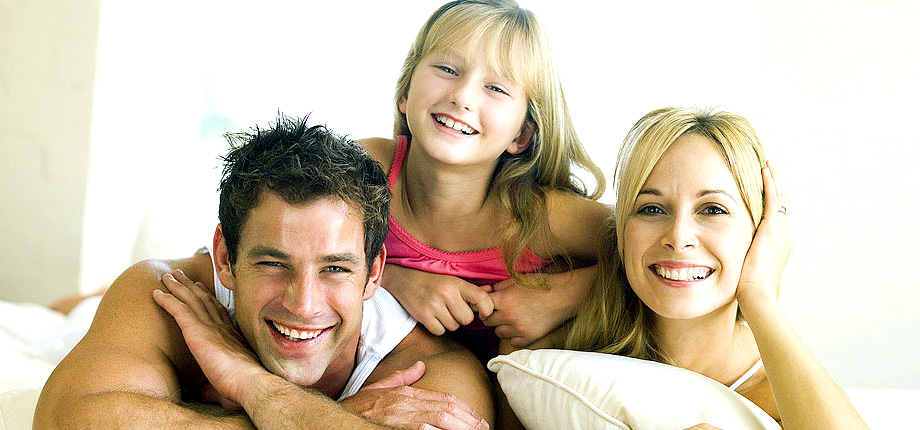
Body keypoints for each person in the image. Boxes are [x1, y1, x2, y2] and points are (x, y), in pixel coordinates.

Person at [34, 115, 493, 430]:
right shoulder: (171, 294)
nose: (304, 304)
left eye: (335, 268)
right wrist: (333, 418)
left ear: (374, 274)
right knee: (67, 316)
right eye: (273, 264)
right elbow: (66, 420)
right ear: (225, 259)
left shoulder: (430, 371)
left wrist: (252, 384)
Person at [565, 107, 869, 429]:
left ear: (760, 232)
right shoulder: (565, 361)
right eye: (651, 208)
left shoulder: (783, 399)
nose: (678, 237)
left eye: (712, 209)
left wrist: (759, 295)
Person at [359, 0, 611, 364]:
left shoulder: (538, 216)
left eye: (496, 88)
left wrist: (561, 297)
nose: (462, 96)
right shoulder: (365, 171)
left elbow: (653, 247)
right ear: (405, 92)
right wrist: (393, 280)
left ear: (522, 134)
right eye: (447, 69)